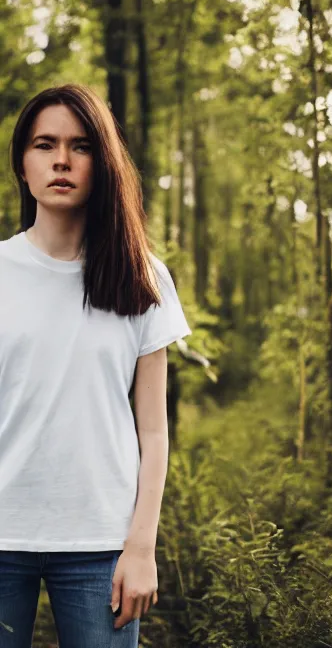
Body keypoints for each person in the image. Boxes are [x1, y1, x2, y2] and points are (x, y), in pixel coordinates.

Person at [0, 84, 192, 648]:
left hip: (101, 546)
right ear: (23, 163)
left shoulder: (142, 275)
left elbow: (153, 431)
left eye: (80, 146)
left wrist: (141, 547)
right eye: (45, 144)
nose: (61, 159)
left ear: (101, 162)